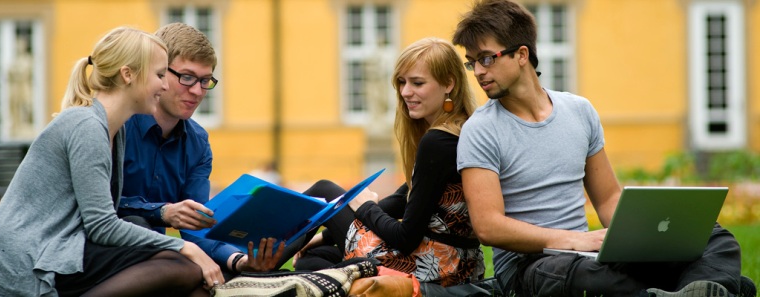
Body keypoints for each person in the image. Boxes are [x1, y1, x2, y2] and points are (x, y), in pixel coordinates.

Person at [452, 1, 755, 296]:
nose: (478, 71)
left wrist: (642, 238)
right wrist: (571, 240)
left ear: (521, 54)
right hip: (532, 264)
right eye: (472, 61)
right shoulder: (480, 130)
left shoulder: (579, 111)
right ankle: (713, 288)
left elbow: (609, 197)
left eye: (487, 58)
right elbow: (488, 226)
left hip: (589, 253)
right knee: (578, 276)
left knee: (715, 239)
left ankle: (686, 290)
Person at [0, 26, 222, 296]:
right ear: (128, 75)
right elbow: (102, 225)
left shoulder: (110, 129)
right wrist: (185, 247)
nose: (164, 85)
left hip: (61, 249)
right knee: (182, 267)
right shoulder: (87, 126)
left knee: (190, 280)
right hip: (30, 259)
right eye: (160, 75)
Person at [293, 37, 485, 287]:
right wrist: (326, 235)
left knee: (324, 190)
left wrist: (364, 207)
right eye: (402, 82)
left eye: (417, 83)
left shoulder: (438, 141)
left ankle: (254, 264)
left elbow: (405, 238)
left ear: (449, 83)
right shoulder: (460, 130)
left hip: (429, 265)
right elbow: (401, 200)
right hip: (457, 264)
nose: (405, 92)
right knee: (314, 261)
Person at [116, 22, 283, 279]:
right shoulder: (119, 124)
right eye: (187, 77)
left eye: (205, 81)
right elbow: (100, 210)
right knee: (140, 227)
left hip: (157, 259)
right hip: (103, 252)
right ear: (159, 73)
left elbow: (197, 227)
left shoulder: (198, 142)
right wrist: (164, 212)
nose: (197, 91)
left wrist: (239, 260)